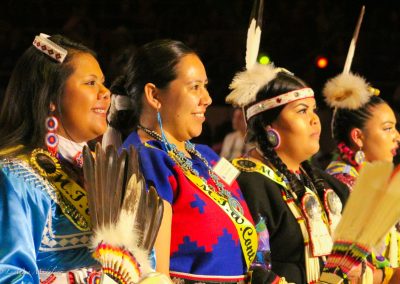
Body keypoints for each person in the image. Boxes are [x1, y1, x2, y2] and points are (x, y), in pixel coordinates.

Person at [105, 39, 258, 283]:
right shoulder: (146, 160)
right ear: (154, 95)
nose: (207, 98)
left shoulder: (205, 155)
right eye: (195, 87)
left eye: (205, 86)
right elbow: (154, 274)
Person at [225, 63, 361, 283]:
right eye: (302, 110)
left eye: (314, 109)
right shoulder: (248, 184)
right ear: (269, 127)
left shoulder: (328, 186)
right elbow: (252, 270)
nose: (314, 119)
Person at [0, 33, 111, 283]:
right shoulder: (15, 176)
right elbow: (8, 275)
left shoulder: (102, 170)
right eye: (91, 83)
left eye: (103, 82)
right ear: (51, 97)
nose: (106, 92)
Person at [324, 72, 400, 282]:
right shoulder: (341, 185)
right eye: (387, 129)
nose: (397, 137)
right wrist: (389, 275)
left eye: (395, 128)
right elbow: (346, 271)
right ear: (358, 136)